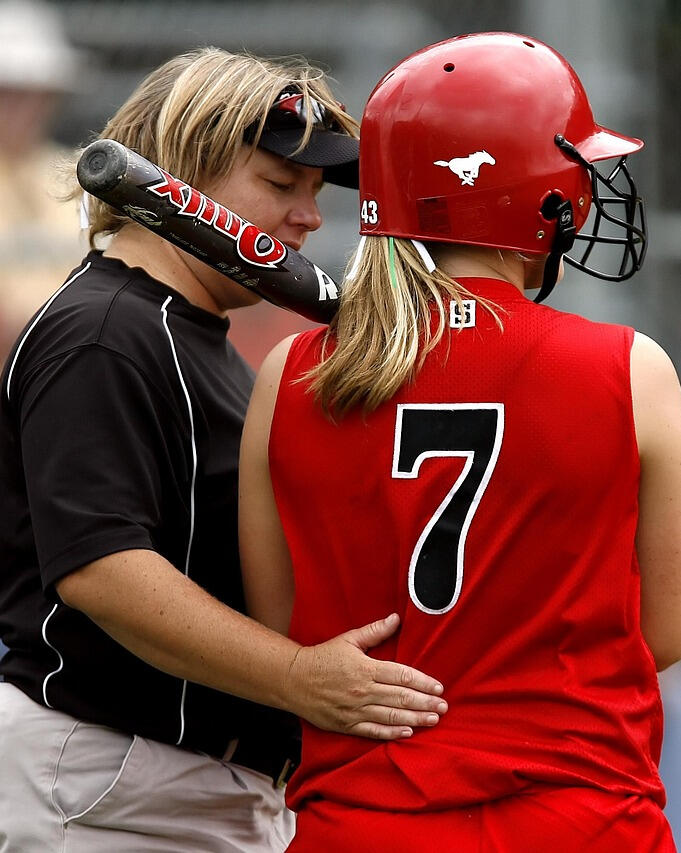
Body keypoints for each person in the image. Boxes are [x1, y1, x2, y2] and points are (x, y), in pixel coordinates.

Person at [0, 47, 449, 853]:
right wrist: (297, 677)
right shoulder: (105, 332)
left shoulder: (188, 330)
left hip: (182, 785)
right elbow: (103, 569)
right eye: (280, 186)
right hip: (106, 784)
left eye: (313, 192)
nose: (308, 217)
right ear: (176, 177)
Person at [238, 33, 680, 852]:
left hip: (356, 824)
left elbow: (283, 626)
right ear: (535, 190)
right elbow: (662, 630)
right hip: (577, 820)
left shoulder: (291, 370)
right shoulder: (631, 368)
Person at [0, 0, 84, 368]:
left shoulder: (78, 176)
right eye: (6, 92)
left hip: (68, 369)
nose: (16, 108)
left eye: (28, 92)